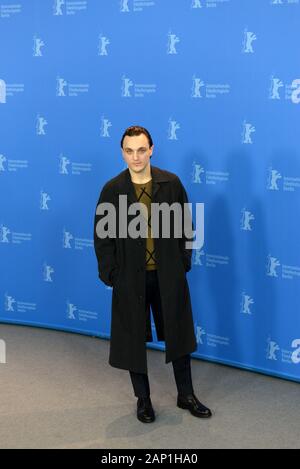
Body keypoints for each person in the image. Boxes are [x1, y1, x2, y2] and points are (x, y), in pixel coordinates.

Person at [93, 125, 212, 422]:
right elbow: (102, 236)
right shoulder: (112, 189)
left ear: (151, 149)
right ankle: (143, 400)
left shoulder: (171, 184)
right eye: (129, 151)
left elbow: (186, 226)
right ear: (122, 152)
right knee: (133, 339)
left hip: (168, 275)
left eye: (141, 150)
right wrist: (111, 274)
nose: (136, 157)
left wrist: (183, 261)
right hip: (130, 279)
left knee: (179, 334)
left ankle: (186, 395)